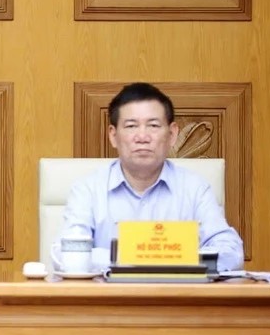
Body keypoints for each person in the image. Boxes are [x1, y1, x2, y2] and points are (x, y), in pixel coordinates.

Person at [55, 82, 243, 272]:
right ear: (113, 135)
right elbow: (64, 252)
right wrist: (141, 255)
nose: (142, 137)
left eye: (153, 125)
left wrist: (162, 257)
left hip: (176, 291)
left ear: (172, 134)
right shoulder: (88, 190)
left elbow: (231, 251)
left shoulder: (195, 189)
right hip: (110, 292)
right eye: (131, 126)